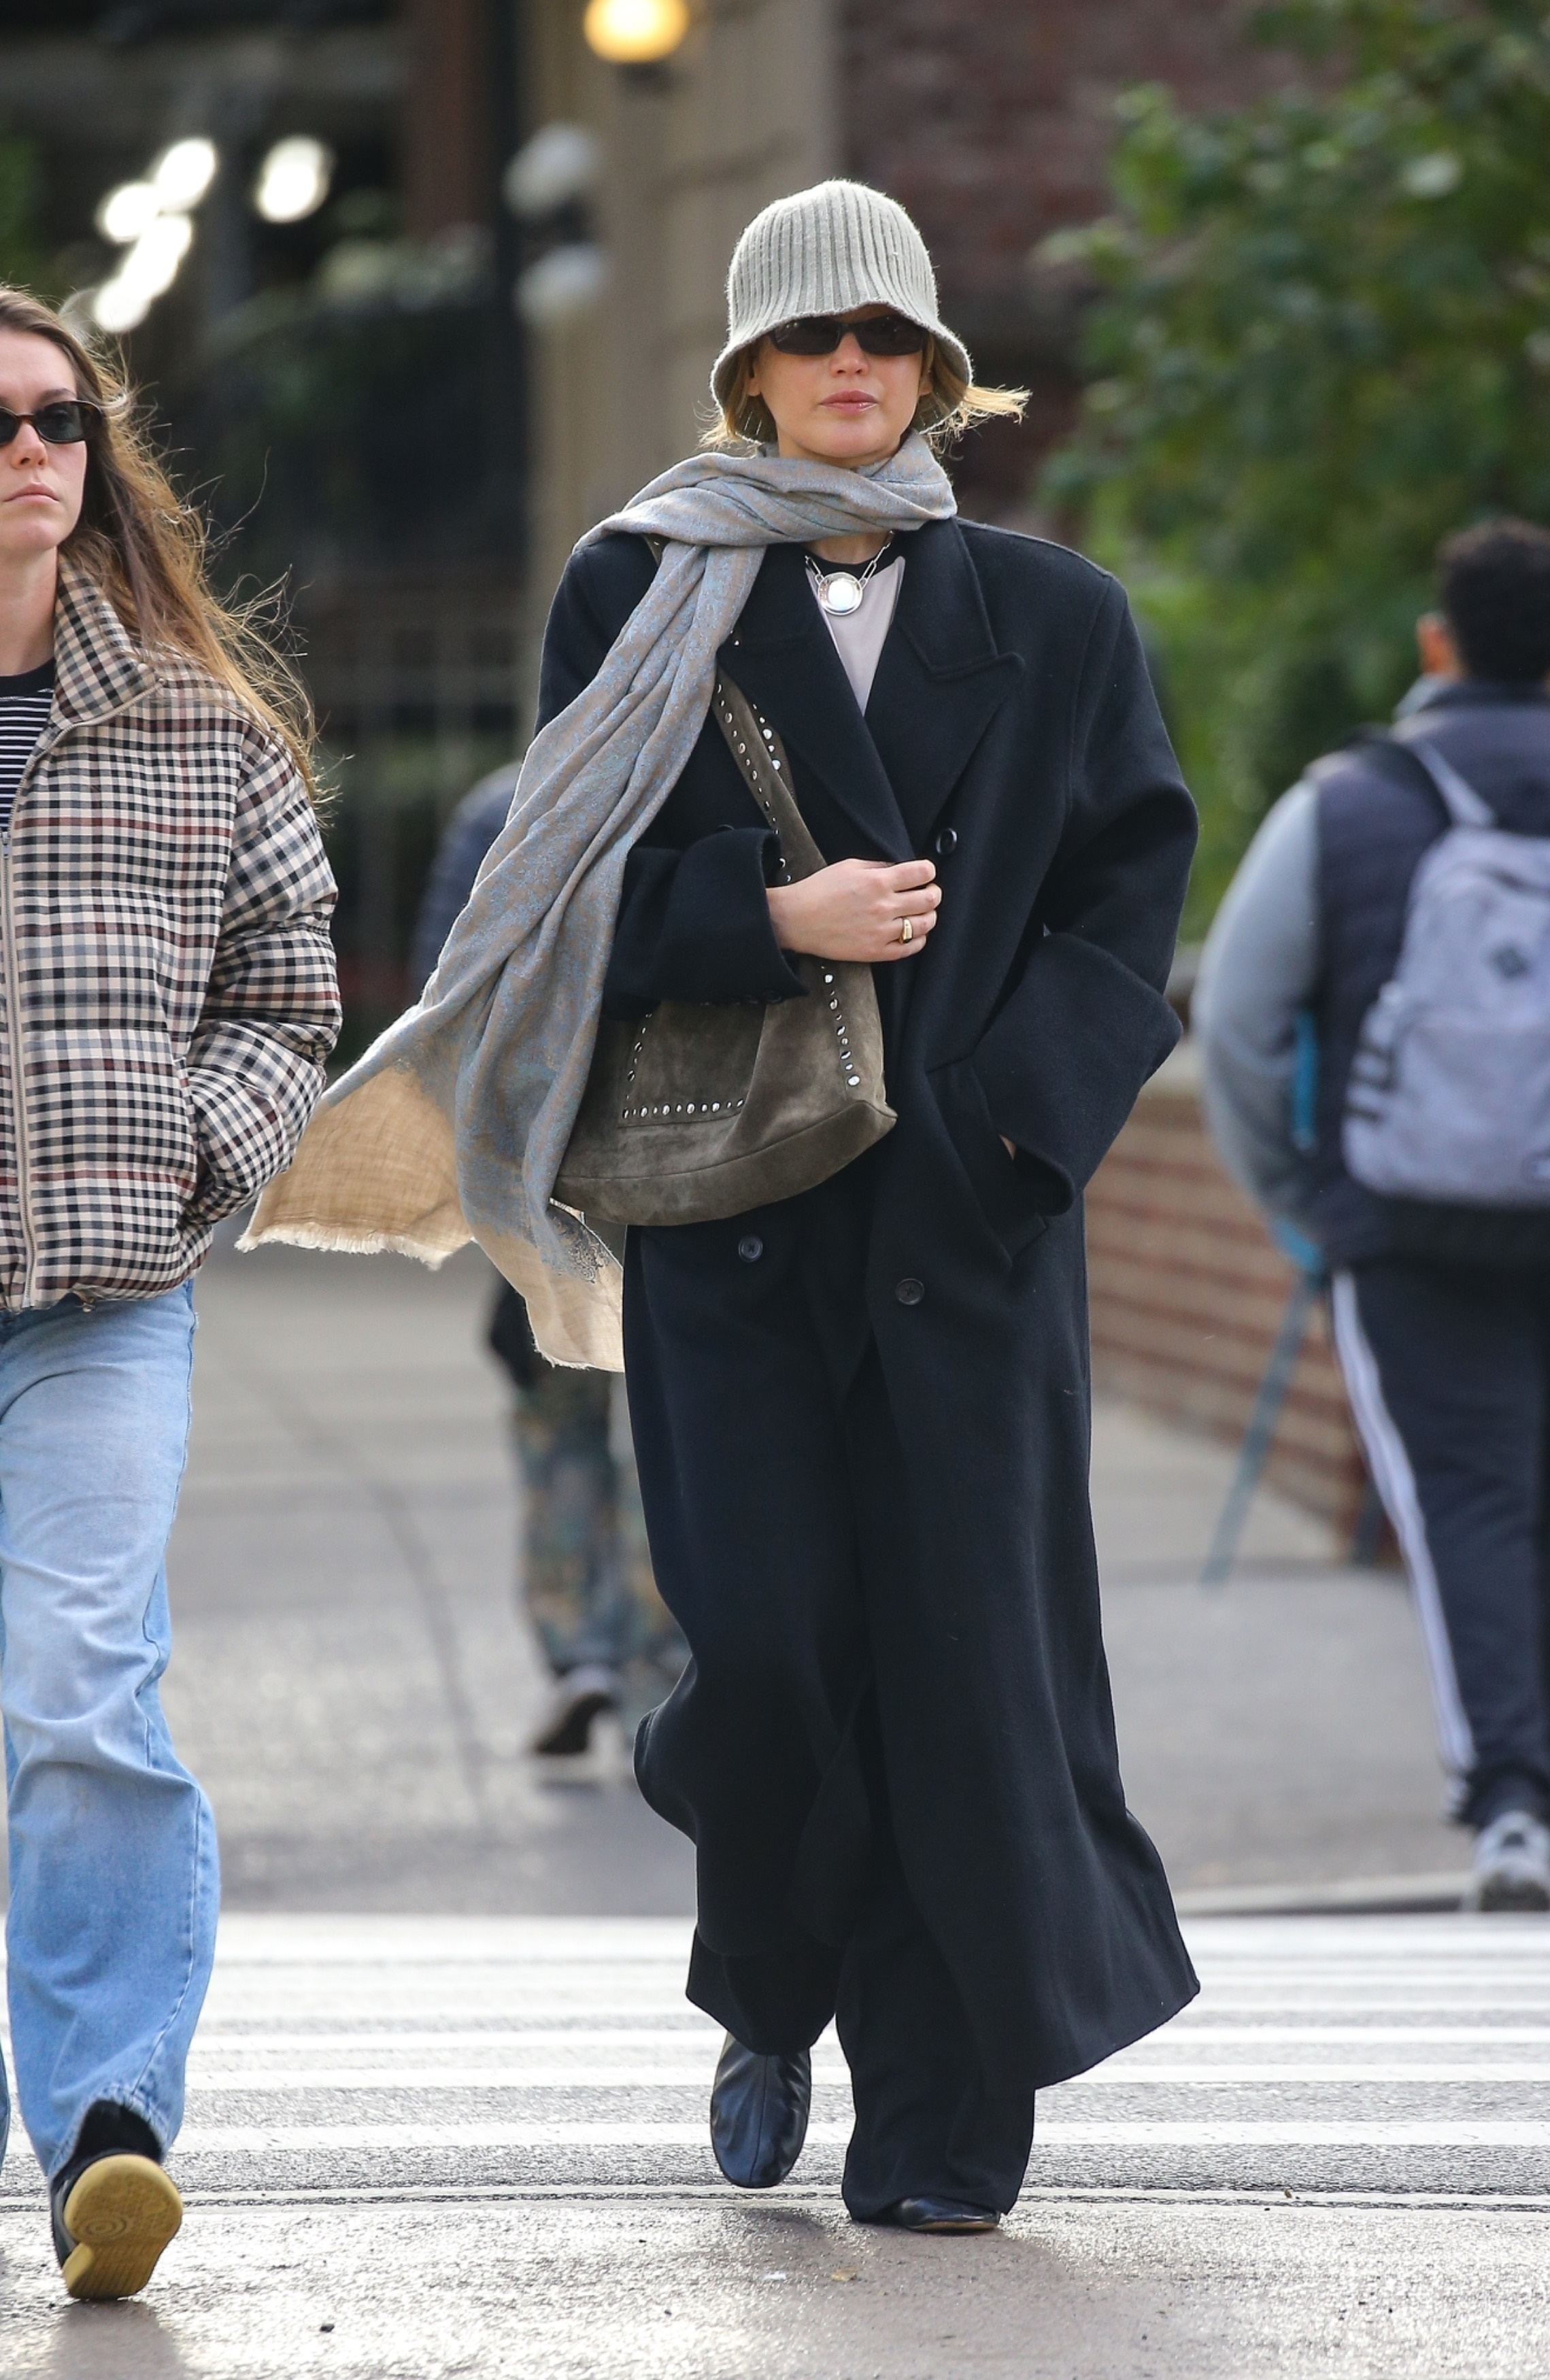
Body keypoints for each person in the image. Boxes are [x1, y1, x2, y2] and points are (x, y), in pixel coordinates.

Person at [246, 179, 1200, 2231]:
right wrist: (770, 915)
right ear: (751, 373)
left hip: (961, 1226)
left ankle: (944, 2129)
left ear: (934, 372)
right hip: (734, 1217)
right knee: (765, 1655)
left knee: (960, 1668)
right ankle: (769, 1984)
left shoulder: (1052, 615)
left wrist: (1018, 1134)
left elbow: (1131, 901)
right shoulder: (639, 584)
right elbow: (556, 892)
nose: (851, 366)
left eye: (886, 338)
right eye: (811, 337)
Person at [1196, 520, 1550, 1911]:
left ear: (1434, 643)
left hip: (1405, 1223)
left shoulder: (1340, 803)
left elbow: (1235, 1028)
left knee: (1465, 1502)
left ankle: (1509, 1808)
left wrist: (1307, 1201)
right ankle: (1546, 1791)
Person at [0, 289, 339, 2295]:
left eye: (60, 419)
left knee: (77, 1692)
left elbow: (288, 988)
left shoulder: (199, 728)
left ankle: (107, 2118)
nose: (30, 449)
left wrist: (187, 1153)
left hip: (101, 1300)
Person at [411, 762, 684, 1754]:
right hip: (667, 1149)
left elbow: (440, 997)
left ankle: (581, 1654)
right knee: (666, 1422)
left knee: (554, 1411)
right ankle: (661, 1663)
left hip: (539, 1163)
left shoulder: (493, 806)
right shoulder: (668, 782)